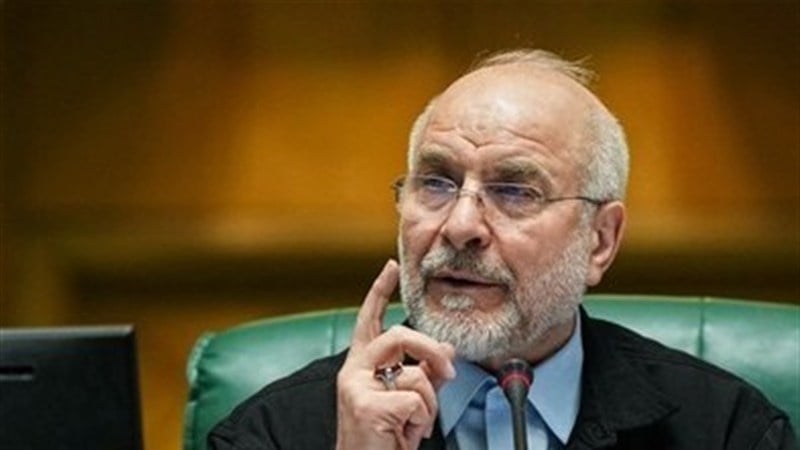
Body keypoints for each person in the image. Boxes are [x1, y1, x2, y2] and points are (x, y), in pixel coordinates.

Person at [207, 48, 796, 450]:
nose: (461, 225)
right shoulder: (273, 432)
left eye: (515, 191)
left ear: (600, 241)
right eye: (436, 182)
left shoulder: (726, 430)